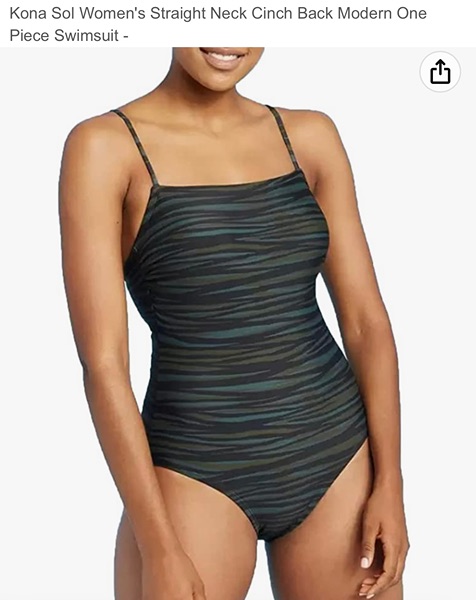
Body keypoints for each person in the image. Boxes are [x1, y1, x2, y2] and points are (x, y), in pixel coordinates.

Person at [59, 47, 409, 600]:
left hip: (336, 453)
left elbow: (367, 323)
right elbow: (103, 365)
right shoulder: (103, 146)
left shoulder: (310, 136)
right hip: (196, 467)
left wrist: (390, 482)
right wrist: (159, 547)